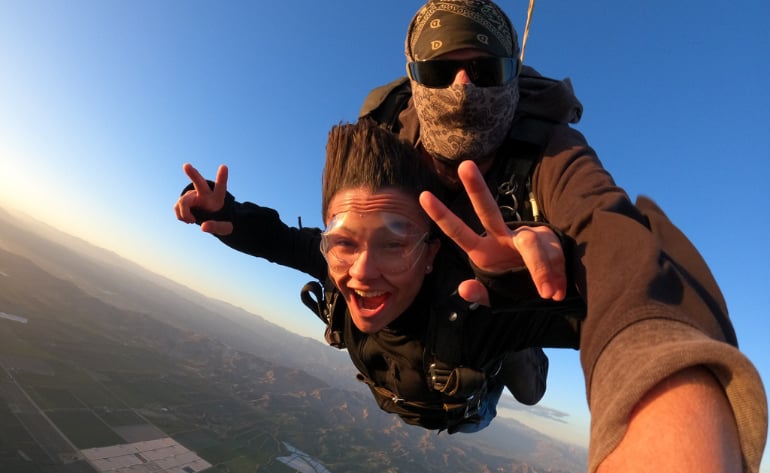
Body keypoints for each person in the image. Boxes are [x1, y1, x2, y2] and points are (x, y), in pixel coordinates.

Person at [175, 0, 767, 470]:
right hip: (418, 335)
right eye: (439, 70)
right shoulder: (379, 184)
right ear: (416, 78)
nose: (462, 88)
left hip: (473, 356)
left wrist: (550, 294)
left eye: (485, 71)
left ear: (511, 76)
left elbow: (618, 252)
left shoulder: (550, 158)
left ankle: (518, 318)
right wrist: (229, 215)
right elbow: (291, 242)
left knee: (518, 366)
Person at [313, 119, 581, 434]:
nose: (361, 271)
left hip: (471, 406)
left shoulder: (472, 317)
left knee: (529, 392)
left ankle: (513, 344)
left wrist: (554, 279)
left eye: (393, 245)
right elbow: (273, 236)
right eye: (344, 242)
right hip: (412, 397)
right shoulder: (333, 265)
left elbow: (602, 318)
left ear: (430, 254)